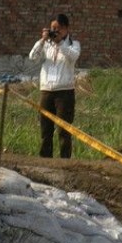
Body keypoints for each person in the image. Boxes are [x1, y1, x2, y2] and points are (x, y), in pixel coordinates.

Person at [28, 13, 81, 158]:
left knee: (64, 131)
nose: (54, 31)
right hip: (46, 91)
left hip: (64, 92)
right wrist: (43, 40)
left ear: (65, 29)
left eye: (57, 29)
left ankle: (64, 161)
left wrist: (61, 43)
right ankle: (45, 160)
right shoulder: (46, 45)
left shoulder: (73, 45)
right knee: (45, 130)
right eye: (52, 28)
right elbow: (32, 57)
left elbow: (73, 56)